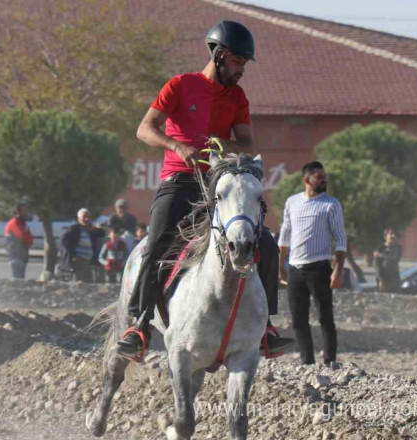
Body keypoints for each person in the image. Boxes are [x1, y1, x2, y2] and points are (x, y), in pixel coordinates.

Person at [117, 20, 293, 360]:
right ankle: (138, 325)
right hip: (179, 181)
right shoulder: (180, 86)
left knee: (266, 244)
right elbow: (144, 129)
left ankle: (265, 329)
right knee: (157, 243)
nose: (242, 70)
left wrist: (221, 147)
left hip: (219, 184)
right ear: (221, 55)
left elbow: (245, 143)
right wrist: (176, 146)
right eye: (239, 62)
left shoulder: (238, 97)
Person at [278, 161, 346, 366]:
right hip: (296, 269)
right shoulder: (292, 202)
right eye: (319, 176)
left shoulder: (331, 204)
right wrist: (282, 265)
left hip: (320, 268)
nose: (324, 179)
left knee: (325, 317)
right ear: (307, 179)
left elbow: (340, 238)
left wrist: (338, 270)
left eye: (325, 175)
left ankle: (330, 361)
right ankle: (306, 362)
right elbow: (285, 235)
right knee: (298, 320)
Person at [60, 208, 105, 283]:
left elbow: (102, 234)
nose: (86, 219)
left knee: (88, 282)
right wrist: (72, 253)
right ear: (79, 218)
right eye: (84, 217)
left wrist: (94, 229)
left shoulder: (90, 229)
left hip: (88, 260)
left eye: (88, 217)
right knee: (79, 282)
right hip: (78, 260)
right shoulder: (74, 229)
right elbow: (63, 240)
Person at [5, 203, 34, 280]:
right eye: (25, 211)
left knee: (20, 281)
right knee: (17, 283)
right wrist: (27, 239)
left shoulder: (23, 224)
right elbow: (22, 237)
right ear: (18, 212)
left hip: (22, 257)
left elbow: (30, 240)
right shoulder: (14, 223)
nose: (27, 213)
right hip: (16, 258)